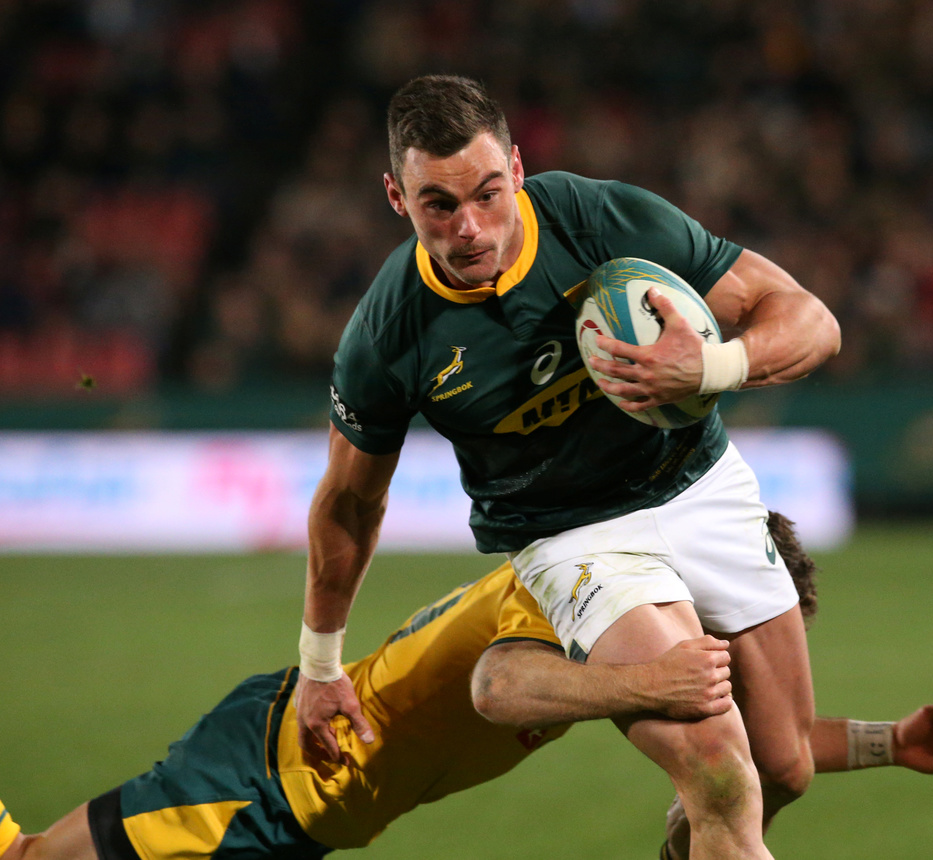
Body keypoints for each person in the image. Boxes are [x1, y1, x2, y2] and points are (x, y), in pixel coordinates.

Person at [298, 74, 841, 860]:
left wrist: (713, 366)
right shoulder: (390, 333)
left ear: (517, 169)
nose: (470, 228)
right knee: (718, 765)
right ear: (396, 197)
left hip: (698, 481)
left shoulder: (596, 220)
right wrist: (320, 664)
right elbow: (350, 503)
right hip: (570, 534)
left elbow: (810, 320)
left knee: (782, 767)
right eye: (438, 205)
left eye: (488, 194)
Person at [1, 524, 933, 860]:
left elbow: (756, 747)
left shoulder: (627, 630)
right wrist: (644, 678)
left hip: (306, 799)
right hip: (270, 781)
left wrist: (888, 741)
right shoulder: (590, 602)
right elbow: (498, 682)